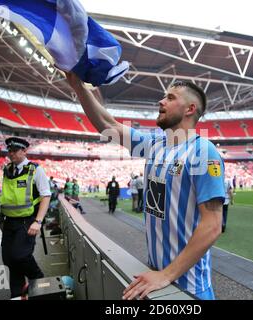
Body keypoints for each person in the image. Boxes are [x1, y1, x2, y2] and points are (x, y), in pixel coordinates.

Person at [68, 74, 225, 300]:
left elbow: (212, 225)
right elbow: (108, 125)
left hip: (189, 286)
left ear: (190, 109)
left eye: (170, 98)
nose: (161, 102)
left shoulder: (204, 152)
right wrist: (78, 86)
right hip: (156, 277)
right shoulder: (154, 145)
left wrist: (166, 275)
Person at [0, 137, 51, 298]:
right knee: (9, 260)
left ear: (24, 151)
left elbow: (46, 196)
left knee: (20, 255)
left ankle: (38, 279)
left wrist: (38, 221)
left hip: (27, 221)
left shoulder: (36, 170)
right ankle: (17, 295)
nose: (11, 153)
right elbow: (7, 196)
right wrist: (2, 219)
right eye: (9, 151)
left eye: (15, 150)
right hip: (8, 222)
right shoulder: (7, 170)